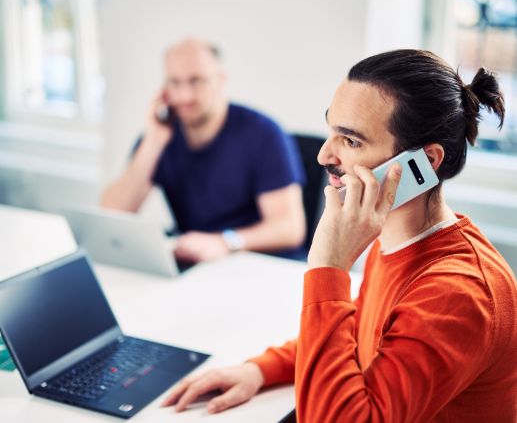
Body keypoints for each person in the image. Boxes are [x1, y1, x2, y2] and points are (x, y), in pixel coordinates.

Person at [161, 49, 517, 422]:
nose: (324, 156)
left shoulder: (458, 293)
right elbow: (359, 335)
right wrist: (262, 369)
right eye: (332, 131)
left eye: (351, 141)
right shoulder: (396, 241)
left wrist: (328, 266)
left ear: (424, 163)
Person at [101, 38, 306, 262]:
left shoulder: (264, 133)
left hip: (257, 263)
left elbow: (289, 229)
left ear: (221, 80)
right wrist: (153, 142)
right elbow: (111, 216)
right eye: (174, 83)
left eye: (196, 81)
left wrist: (224, 242)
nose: (185, 95)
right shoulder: (159, 135)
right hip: (197, 263)